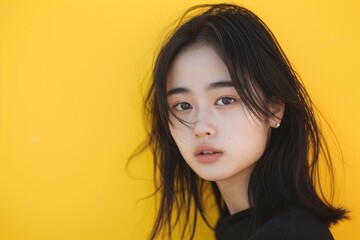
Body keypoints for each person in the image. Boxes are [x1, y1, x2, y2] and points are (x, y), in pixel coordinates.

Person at [136, 3, 348, 239]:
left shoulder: (290, 235)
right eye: (183, 106)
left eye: (226, 100)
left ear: (274, 109)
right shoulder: (234, 227)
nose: (201, 128)